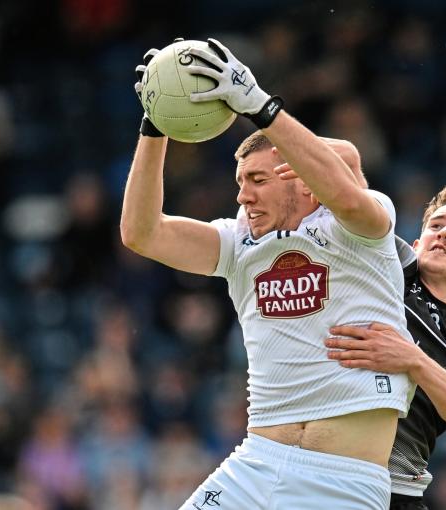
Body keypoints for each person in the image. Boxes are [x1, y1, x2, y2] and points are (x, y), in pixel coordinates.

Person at [121, 38, 415, 509]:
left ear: (303, 182)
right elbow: (142, 233)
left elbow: (343, 190)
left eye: (257, 180)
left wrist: (258, 106)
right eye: (240, 184)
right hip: (256, 463)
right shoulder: (239, 243)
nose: (243, 197)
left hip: (343, 481)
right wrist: (155, 124)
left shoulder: (362, 227)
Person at [323, 174, 446, 509]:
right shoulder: (386, 265)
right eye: (436, 225)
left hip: (396, 492)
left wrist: (413, 361)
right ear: (417, 242)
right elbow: (346, 192)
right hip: (317, 469)